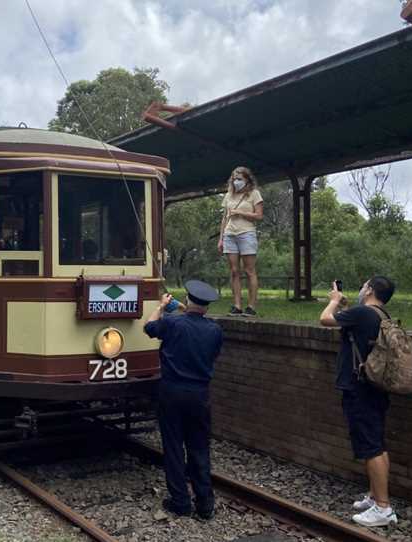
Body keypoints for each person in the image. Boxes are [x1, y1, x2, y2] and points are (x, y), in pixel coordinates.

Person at [320, 276, 398, 527]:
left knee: (370, 446)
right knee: (376, 443)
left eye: (364, 285)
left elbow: (325, 320)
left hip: (359, 389)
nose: (361, 288)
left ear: (371, 290)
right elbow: (353, 329)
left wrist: (333, 301)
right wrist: (343, 306)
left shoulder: (364, 312)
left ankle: (383, 509)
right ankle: (375, 497)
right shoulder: (379, 314)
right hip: (374, 387)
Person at [144, 280, 223, 521]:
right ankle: (205, 503)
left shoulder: (171, 323)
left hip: (172, 392)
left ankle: (180, 501)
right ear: (207, 307)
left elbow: (149, 327)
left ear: (188, 300)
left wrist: (161, 306)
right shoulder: (215, 330)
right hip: (200, 395)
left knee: (174, 447)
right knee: (199, 447)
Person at [217, 166, 264, 317]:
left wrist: (241, 212)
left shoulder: (254, 194)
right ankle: (237, 305)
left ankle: (251, 306)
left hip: (246, 233)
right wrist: (221, 238)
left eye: (239, 179)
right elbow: (224, 218)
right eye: (234, 179)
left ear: (247, 180)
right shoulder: (229, 195)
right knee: (234, 271)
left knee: (249, 271)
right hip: (230, 234)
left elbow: (259, 216)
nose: (236, 182)